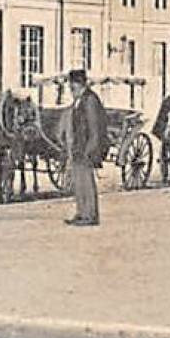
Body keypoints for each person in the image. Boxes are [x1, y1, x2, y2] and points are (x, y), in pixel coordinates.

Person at [65, 69, 108, 227]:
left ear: (80, 85)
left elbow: (94, 128)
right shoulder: (80, 100)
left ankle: (90, 215)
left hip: (87, 148)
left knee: (87, 182)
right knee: (79, 181)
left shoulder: (90, 100)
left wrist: (89, 150)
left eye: (73, 88)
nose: (71, 91)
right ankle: (82, 212)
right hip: (79, 146)